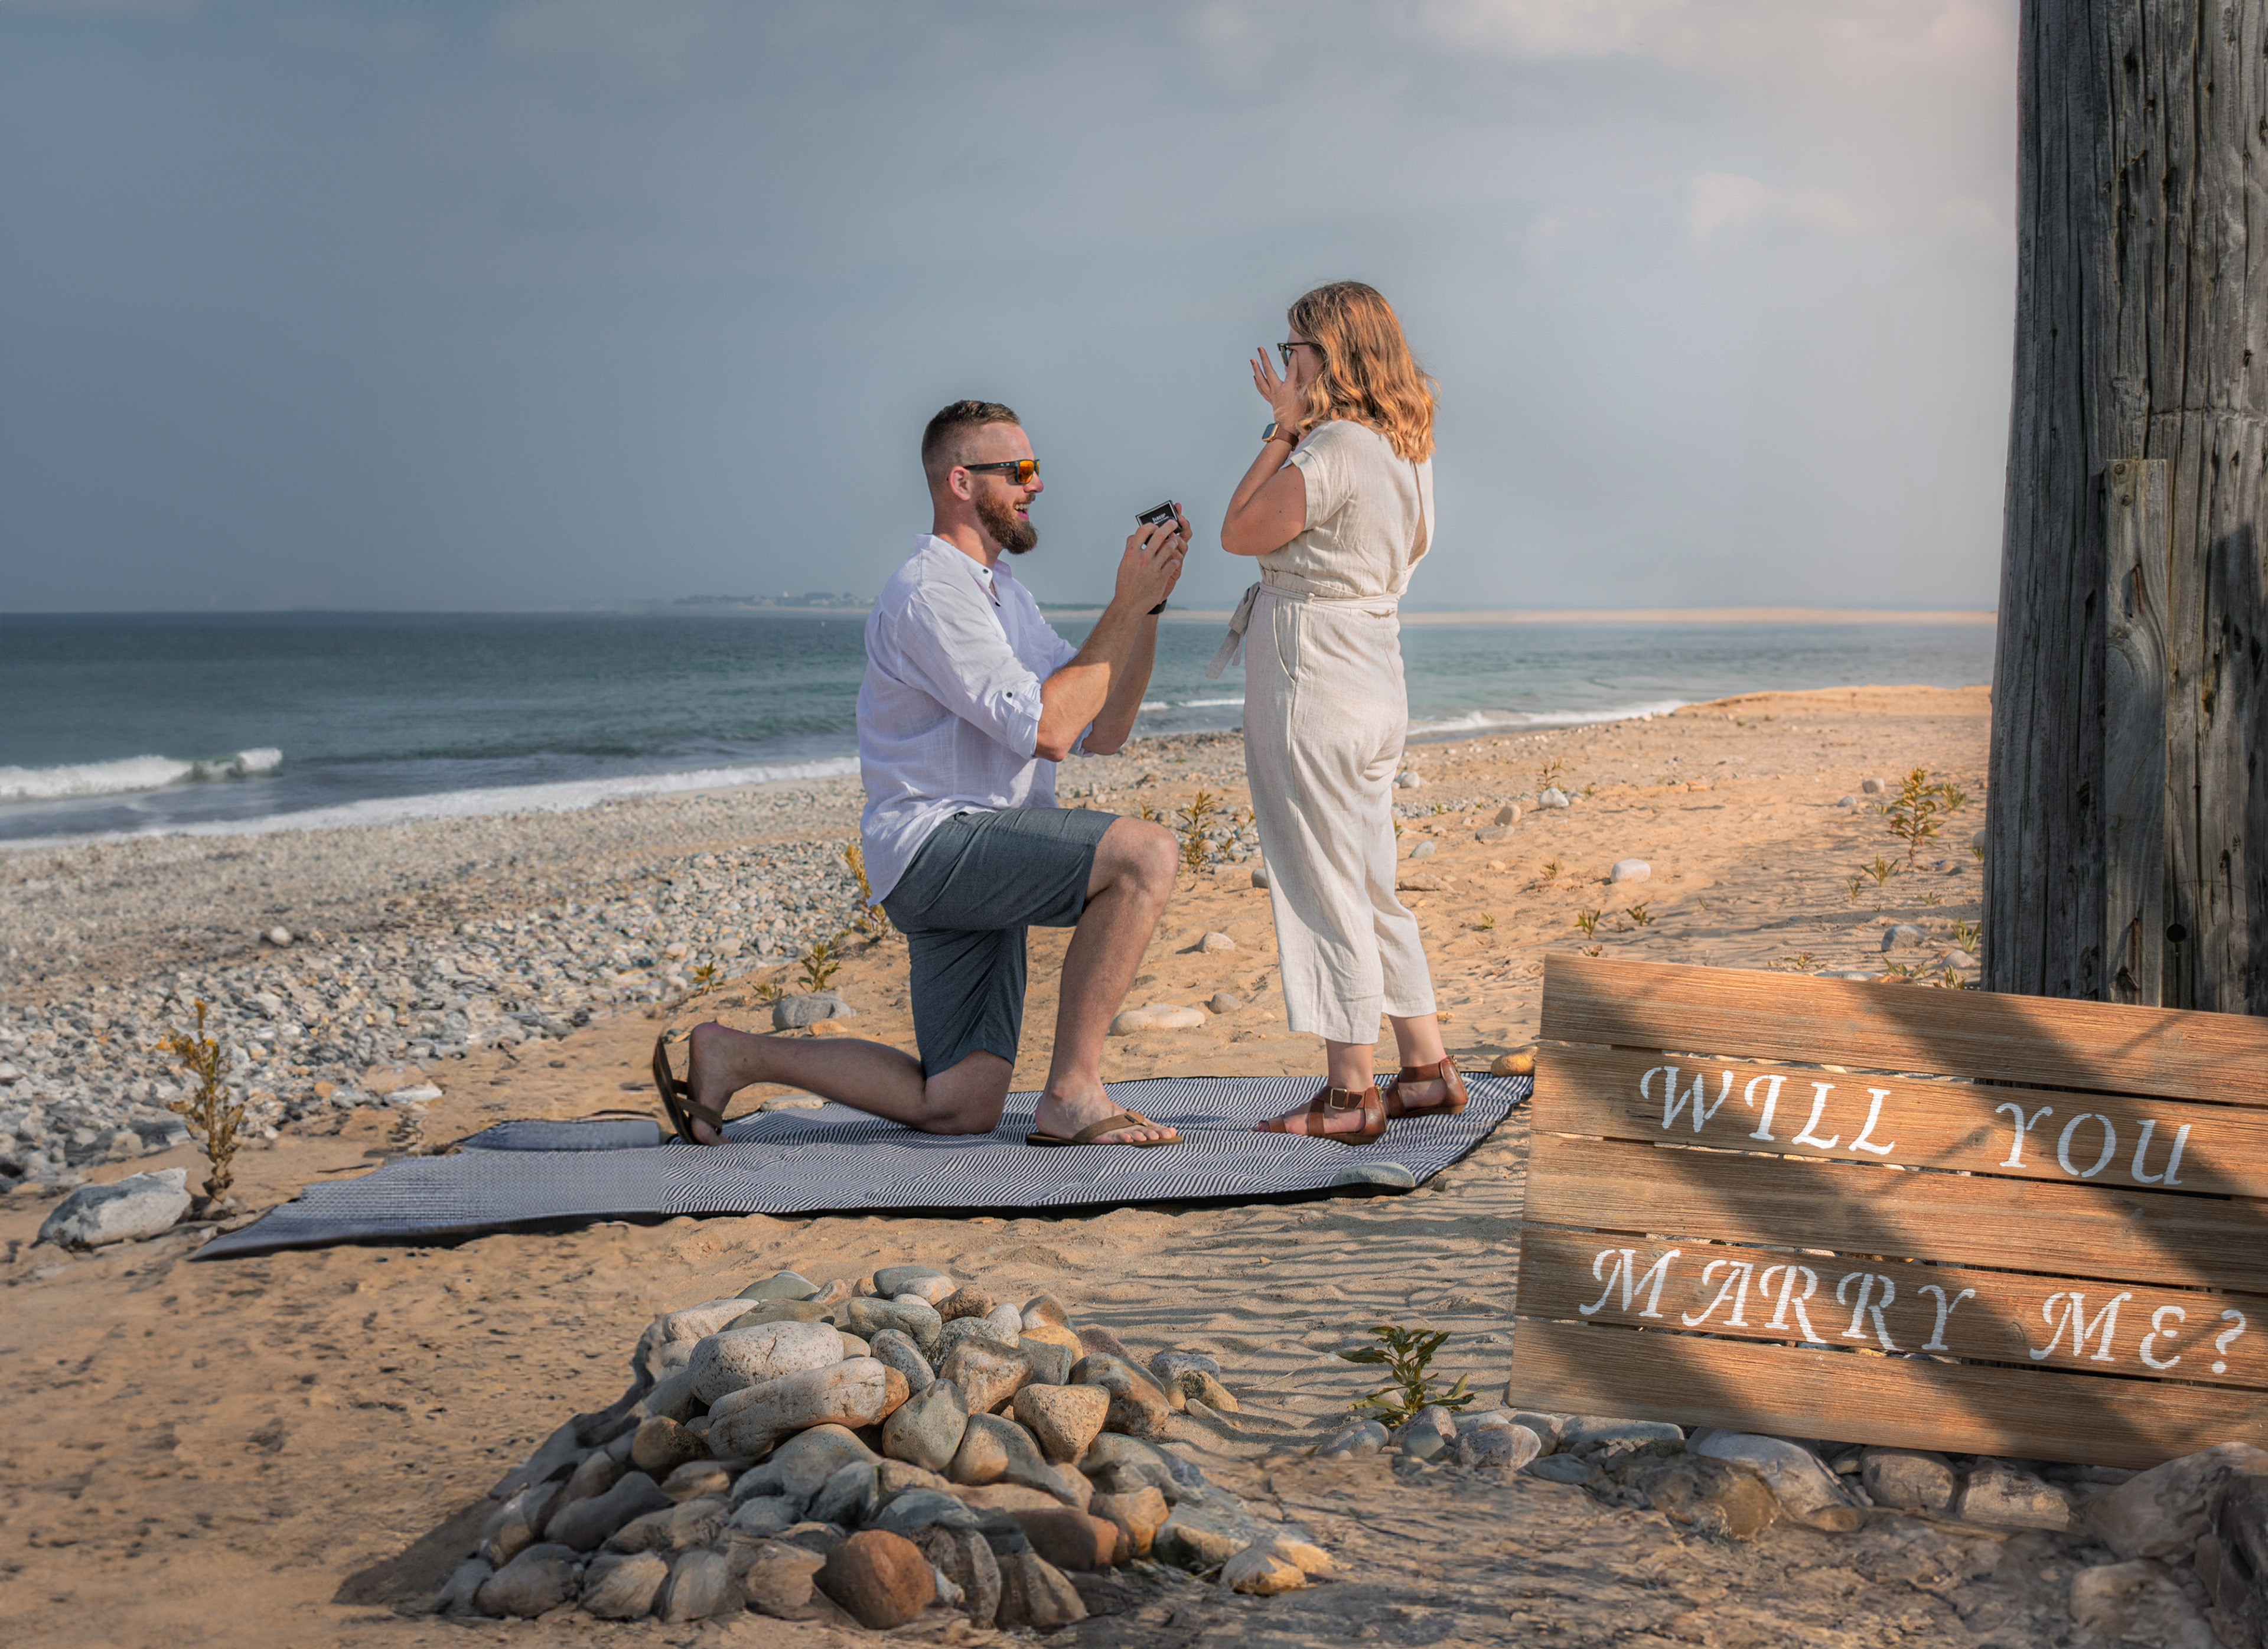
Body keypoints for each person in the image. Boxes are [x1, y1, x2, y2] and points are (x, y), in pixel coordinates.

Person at [653, 399, 1188, 1148]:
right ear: (962, 482)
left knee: (959, 1103)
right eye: (1021, 470)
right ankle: (1072, 1090)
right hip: (939, 845)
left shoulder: (1007, 596)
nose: (1037, 485)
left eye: (1038, 469)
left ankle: (735, 1053)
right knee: (1146, 855)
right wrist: (1120, 604)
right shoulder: (931, 591)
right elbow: (1051, 730)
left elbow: (1106, 727)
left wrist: (1146, 610)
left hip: (979, 849)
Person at [1214, 282, 1462, 1145]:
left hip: (1312, 673)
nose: (1284, 364)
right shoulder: (1406, 444)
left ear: (1329, 354)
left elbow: (1239, 530)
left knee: (1323, 883)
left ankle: (1350, 1093)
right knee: (1367, 877)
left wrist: (1283, 431)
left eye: (1293, 349)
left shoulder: (1334, 447)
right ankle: (1425, 1069)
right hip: (1375, 668)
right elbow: (1416, 544)